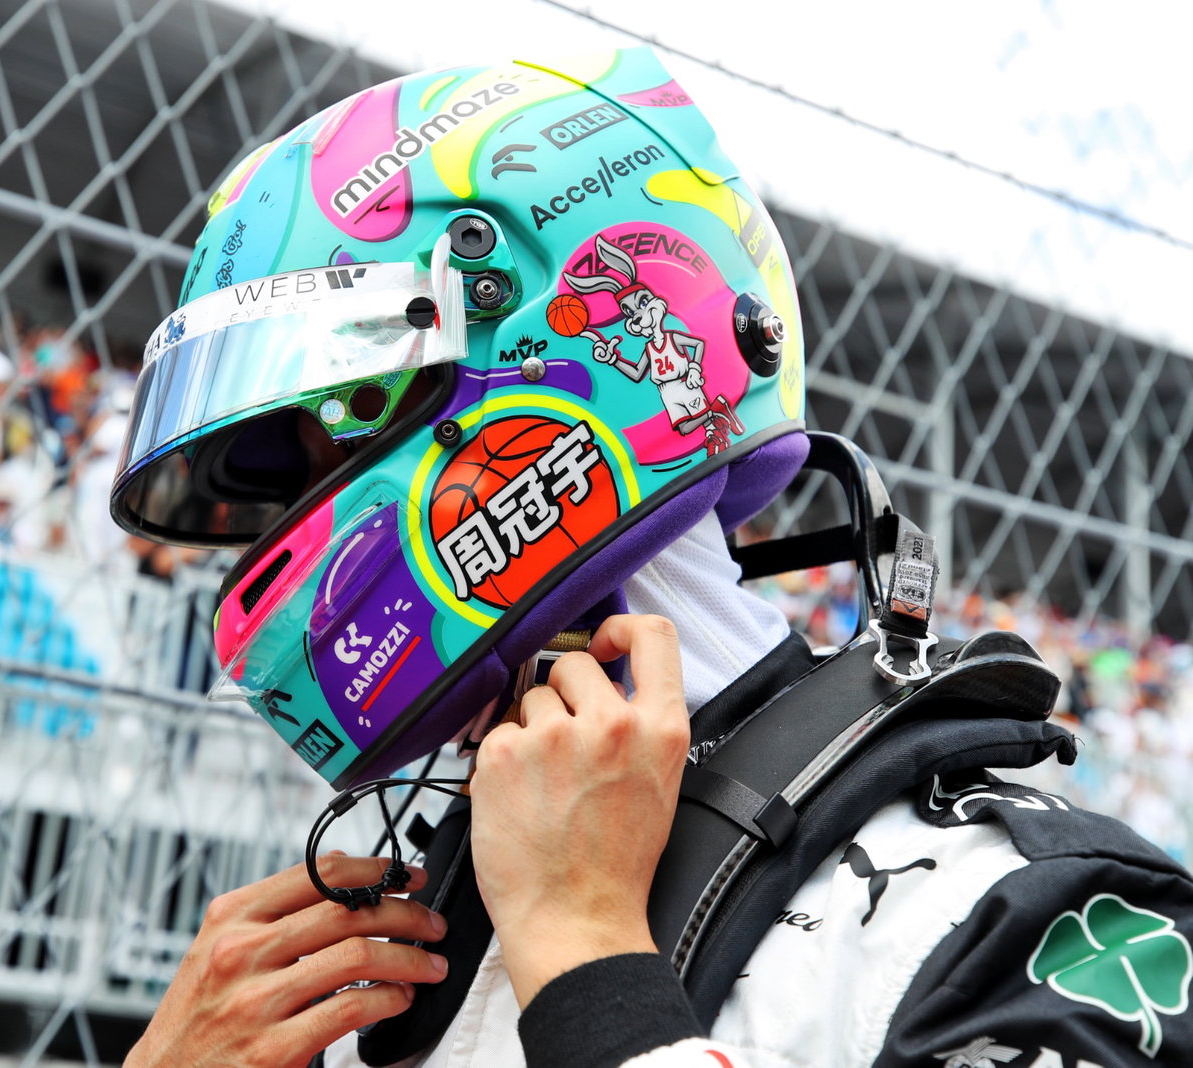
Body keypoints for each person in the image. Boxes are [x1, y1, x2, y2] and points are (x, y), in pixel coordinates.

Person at [108, 48, 1193, 1067]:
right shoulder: (367, 956)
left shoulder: (1009, 910)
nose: (294, 528)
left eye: (327, 435)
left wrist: (590, 965)